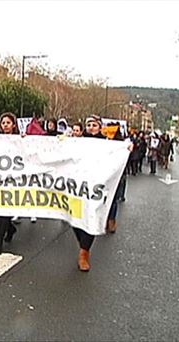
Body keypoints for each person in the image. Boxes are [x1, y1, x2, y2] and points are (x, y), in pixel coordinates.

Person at [72, 114, 106, 271]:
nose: (91, 127)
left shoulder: (108, 143)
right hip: (77, 186)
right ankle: (82, 244)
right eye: (89, 124)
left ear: (99, 127)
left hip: (96, 186)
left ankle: (83, 253)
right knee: (76, 218)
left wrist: (127, 147)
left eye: (94, 124)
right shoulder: (77, 142)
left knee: (91, 218)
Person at [0, 112, 20, 253]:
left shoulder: (20, 139)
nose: (5, 125)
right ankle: (11, 229)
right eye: (3, 123)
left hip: (13, 180)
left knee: (6, 209)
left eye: (8, 123)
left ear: (13, 125)